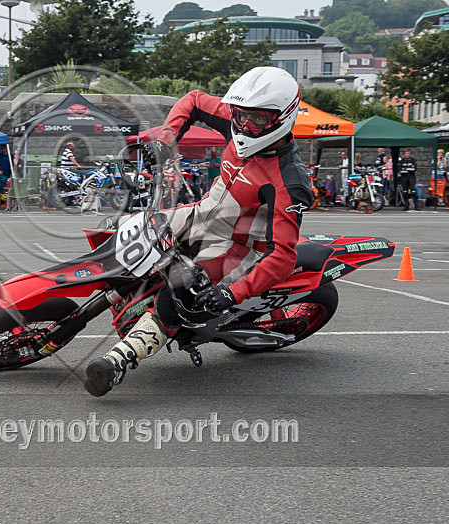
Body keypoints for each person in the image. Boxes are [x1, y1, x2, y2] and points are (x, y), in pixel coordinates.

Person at [84, 66, 314, 396]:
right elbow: (193, 100)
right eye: (239, 115)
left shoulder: (290, 183)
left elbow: (282, 256)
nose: (244, 126)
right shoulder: (238, 120)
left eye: (257, 120)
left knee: (182, 292)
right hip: (201, 213)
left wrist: (231, 293)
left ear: (284, 117)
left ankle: (119, 360)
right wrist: (165, 141)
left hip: (236, 245)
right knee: (119, 228)